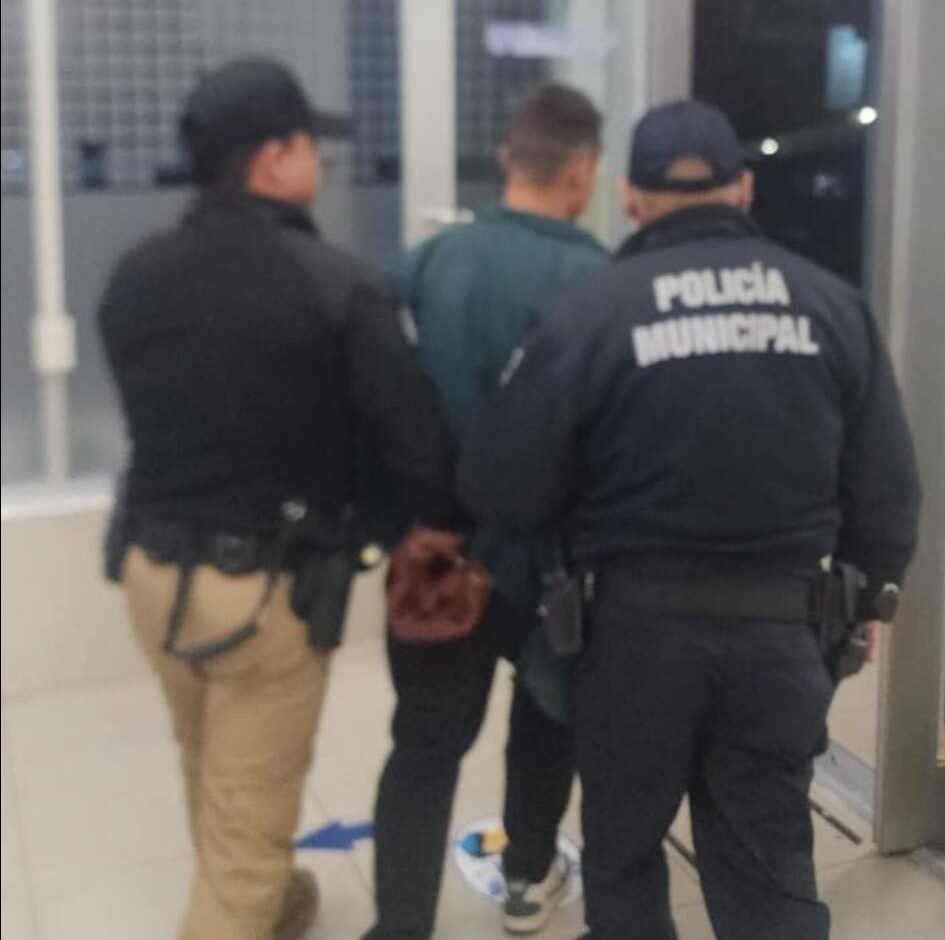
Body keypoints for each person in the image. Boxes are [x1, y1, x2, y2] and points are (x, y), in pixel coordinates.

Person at [457, 100, 922, 940]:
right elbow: (888, 498)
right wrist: (865, 598)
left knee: (625, 857)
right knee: (769, 868)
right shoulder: (832, 305)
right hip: (783, 637)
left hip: (630, 643)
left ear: (630, 196)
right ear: (742, 189)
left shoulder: (588, 312)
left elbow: (504, 490)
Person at [99, 59, 456, 940]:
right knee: (249, 817)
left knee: (210, 761)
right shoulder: (333, 283)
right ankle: (248, 905)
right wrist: (406, 528)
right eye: (307, 148)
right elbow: (415, 444)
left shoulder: (135, 276)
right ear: (269, 159)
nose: (317, 165)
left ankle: (277, 901)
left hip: (152, 576)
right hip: (264, 598)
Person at [364, 83, 606, 940]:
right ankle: (527, 882)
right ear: (582, 171)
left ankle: (400, 926)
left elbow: (376, 401)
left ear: (508, 157)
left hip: (442, 558)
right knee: (546, 724)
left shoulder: (425, 266)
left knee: (425, 746)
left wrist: (394, 524)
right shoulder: (603, 281)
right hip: (557, 566)